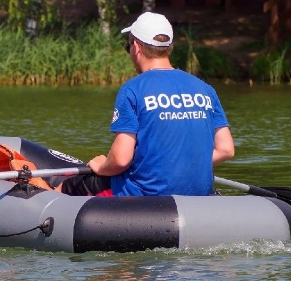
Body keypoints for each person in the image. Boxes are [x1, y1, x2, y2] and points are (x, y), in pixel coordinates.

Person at [62, 11, 234, 196]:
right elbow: (226, 149)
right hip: (198, 193)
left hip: (145, 199)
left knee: (70, 185)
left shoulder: (133, 90)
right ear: (169, 48)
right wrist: (183, 165)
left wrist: (101, 166)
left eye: (128, 47)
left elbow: (120, 160)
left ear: (136, 47)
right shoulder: (205, 89)